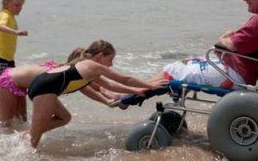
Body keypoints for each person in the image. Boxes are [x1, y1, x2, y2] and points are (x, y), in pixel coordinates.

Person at [147, 0, 258, 89]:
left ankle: (129, 96)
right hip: (244, 71)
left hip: (237, 75)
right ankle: (135, 90)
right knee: (187, 61)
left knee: (174, 70)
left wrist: (225, 38)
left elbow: (226, 45)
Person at [25, 40, 165, 148]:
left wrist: (135, 91)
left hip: (44, 88)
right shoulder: (91, 65)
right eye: (110, 59)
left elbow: (110, 85)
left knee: (64, 117)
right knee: (34, 139)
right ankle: (27, 159)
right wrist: (150, 86)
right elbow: (124, 79)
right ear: (99, 56)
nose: (111, 64)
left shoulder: (89, 69)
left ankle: (24, 137)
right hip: (44, 89)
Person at [0, 0, 28, 93]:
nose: (20, 8)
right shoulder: (6, 15)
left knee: (5, 82)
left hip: (7, 57)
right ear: (6, 4)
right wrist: (16, 32)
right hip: (1, 57)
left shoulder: (6, 15)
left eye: (21, 5)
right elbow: (1, 26)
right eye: (17, 5)